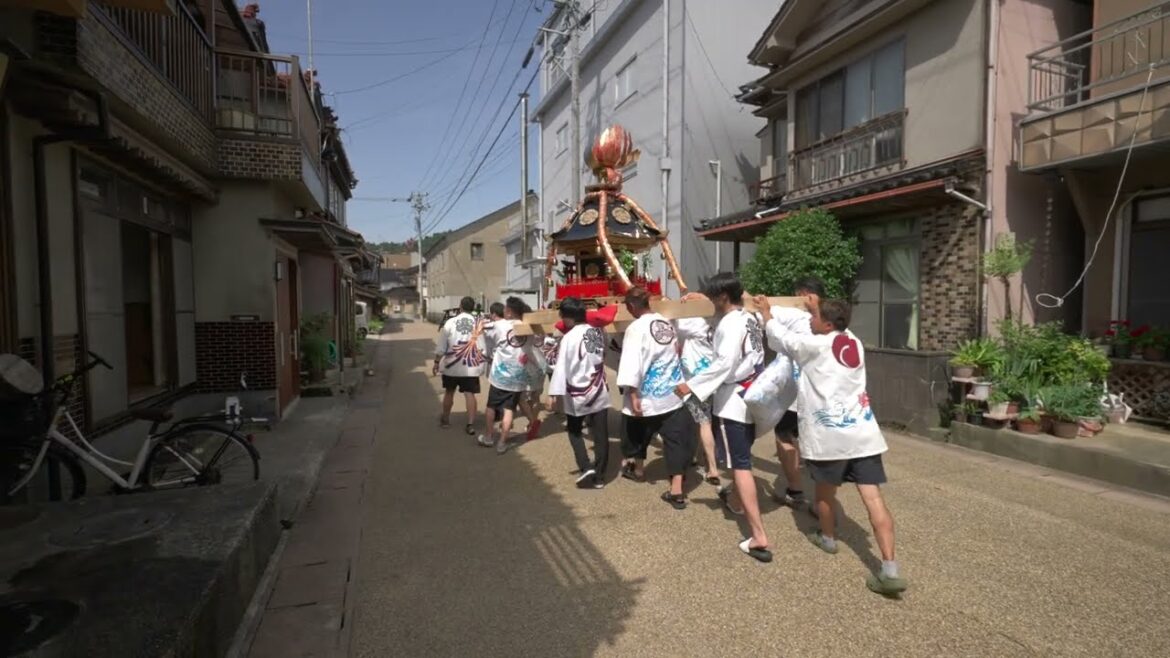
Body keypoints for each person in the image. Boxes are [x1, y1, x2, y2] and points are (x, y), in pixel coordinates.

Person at [757, 294, 908, 596]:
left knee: (825, 493)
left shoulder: (814, 346)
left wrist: (766, 313)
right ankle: (890, 568)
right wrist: (815, 307)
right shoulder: (853, 341)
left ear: (826, 324)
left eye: (814, 318)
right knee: (874, 499)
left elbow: (783, 339)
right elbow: (821, 326)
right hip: (862, 433)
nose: (810, 321)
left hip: (829, 436)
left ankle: (827, 538)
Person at [675, 273, 769, 562]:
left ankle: (758, 535)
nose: (711, 303)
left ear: (723, 297)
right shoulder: (750, 318)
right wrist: (700, 297)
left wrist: (692, 385)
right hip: (755, 392)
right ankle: (738, 502)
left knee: (740, 465)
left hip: (734, 402)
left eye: (713, 297)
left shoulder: (729, 323)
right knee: (743, 459)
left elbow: (724, 364)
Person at [616, 287, 696, 510]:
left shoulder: (636, 328)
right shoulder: (665, 322)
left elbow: (632, 362)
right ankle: (677, 490)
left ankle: (639, 471)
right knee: (675, 440)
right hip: (672, 393)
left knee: (637, 433)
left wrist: (631, 394)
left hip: (646, 394)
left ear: (631, 307)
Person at [770, 277, 826, 509]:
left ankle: (795, 490)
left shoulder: (792, 314)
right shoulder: (832, 320)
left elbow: (755, 305)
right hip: (820, 393)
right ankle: (823, 503)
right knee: (814, 443)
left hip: (794, 394)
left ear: (803, 295)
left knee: (784, 436)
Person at [546, 297, 609, 489]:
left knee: (574, 430)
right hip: (598, 387)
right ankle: (599, 476)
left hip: (577, 390)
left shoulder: (569, 337)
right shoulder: (598, 332)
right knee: (601, 433)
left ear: (567, 318)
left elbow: (561, 367)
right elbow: (604, 353)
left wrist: (553, 394)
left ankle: (585, 466)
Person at [480, 297, 542, 454]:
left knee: (491, 407)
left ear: (508, 311)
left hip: (499, 375)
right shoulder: (528, 327)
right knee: (509, 410)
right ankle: (502, 443)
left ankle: (488, 437)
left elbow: (483, 330)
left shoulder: (500, 325)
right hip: (517, 376)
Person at [675, 308, 721, 488]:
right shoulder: (717, 323)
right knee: (702, 420)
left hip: (695, 380)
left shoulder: (695, 323)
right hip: (712, 377)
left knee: (703, 422)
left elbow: (672, 321)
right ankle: (697, 457)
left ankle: (713, 468)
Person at [433, 296, 486, 435]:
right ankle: (470, 424)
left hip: (452, 365)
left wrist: (437, 362)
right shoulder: (478, 323)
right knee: (470, 394)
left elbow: (441, 346)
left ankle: (445, 419)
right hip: (470, 366)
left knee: (449, 392)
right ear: (473, 308)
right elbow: (483, 347)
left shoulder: (450, 322)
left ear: (460, 307)